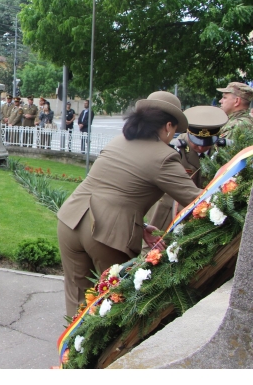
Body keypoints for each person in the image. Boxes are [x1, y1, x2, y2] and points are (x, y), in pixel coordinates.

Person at [57, 91, 202, 316]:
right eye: (174, 130)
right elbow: (198, 200)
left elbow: (116, 189)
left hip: (70, 220)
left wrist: (141, 226)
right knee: (118, 301)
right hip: (106, 233)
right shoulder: (163, 156)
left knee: (77, 301)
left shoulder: (119, 141)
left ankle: (72, 339)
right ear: (168, 126)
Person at [147, 106, 228, 230]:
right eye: (197, 142)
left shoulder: (222, 150)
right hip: (171, 211)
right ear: (188, 132)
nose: (201, 147)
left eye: (207, 143)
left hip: (206, 212)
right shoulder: (174, 149)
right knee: (159, 241)